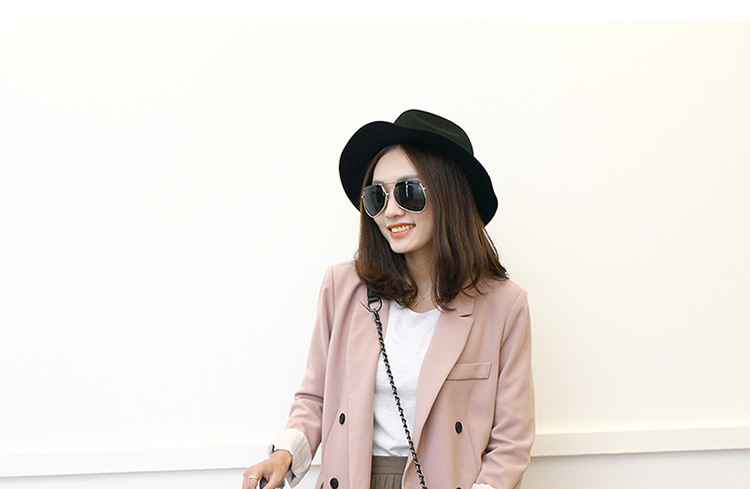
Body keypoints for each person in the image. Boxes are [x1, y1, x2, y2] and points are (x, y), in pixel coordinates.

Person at [243, 109, 534, 489]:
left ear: (448, 194)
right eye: (376, 195)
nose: (391, 210)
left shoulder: (502, 305)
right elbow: (315, 397)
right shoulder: (342, 287)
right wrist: (283, 455)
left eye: (409, 191)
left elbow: (511, 440)